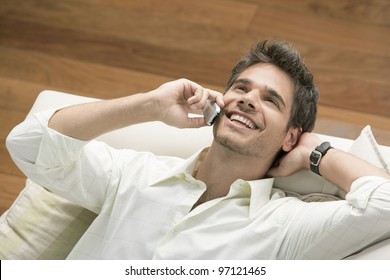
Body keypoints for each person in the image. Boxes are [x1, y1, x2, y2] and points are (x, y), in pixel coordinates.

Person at [6, 40, 390, 259]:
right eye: (240, 88)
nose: (248, 99)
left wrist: (315, 154)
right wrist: (150, 106)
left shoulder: (283, 226)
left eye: (271, 101)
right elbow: (29, 144)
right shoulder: (134, 173)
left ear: (290, 137)